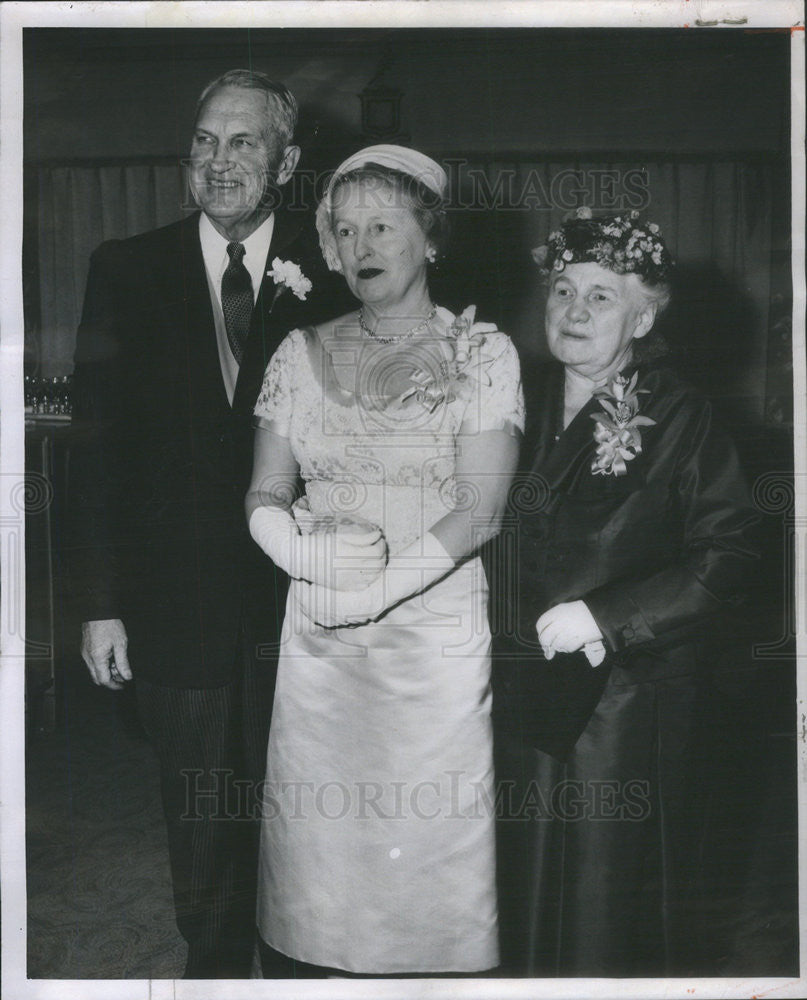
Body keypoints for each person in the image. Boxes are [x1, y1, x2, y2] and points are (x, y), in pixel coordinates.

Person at [70, 69, 347, 978]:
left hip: (309, 607)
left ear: (288, 160)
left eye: (243, 143)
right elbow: (96, 450)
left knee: (309, 808)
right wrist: (100, 604)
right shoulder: (125, 265)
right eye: (203, 141)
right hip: (171, 603)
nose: (218, 161)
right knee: (200, 811)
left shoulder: (341, 262)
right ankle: (217, 974)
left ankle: (304, 970)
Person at [245, 144, 524, 976]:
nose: (360, 245)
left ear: (430, 239)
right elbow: (263, 490)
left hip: (428, 641)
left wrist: (373, 595)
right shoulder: (297, 352)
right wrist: (298, 552)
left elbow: (479, 509)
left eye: (382, 226)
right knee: (324, 859)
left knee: (424, 855)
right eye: (343, 228)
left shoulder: (483, 354)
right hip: (320, 637)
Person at [491, 208, 759, 977]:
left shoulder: (680, 413)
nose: (574, 311)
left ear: (643, 314)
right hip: (522, 691)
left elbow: (731, 552)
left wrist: (606, 617)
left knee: (604, 902)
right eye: (563, 290)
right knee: (519, 886)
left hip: (624, 702)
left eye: (601, 296)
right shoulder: (516, 400)